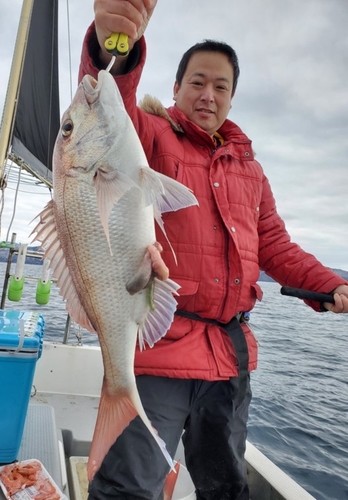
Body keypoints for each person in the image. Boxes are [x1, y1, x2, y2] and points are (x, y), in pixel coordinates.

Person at [79, 1, 348, 499]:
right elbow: (107, 110)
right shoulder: (151, 137)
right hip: (159, 353)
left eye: (220, 87)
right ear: (177, 88)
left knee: (224, 488)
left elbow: (275, 247)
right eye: (196, 82)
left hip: (229, 360)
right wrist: (113, 45)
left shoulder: (251, 170)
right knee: (128, 488)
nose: (208, 95)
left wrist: (331, 284)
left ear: (232, 97)